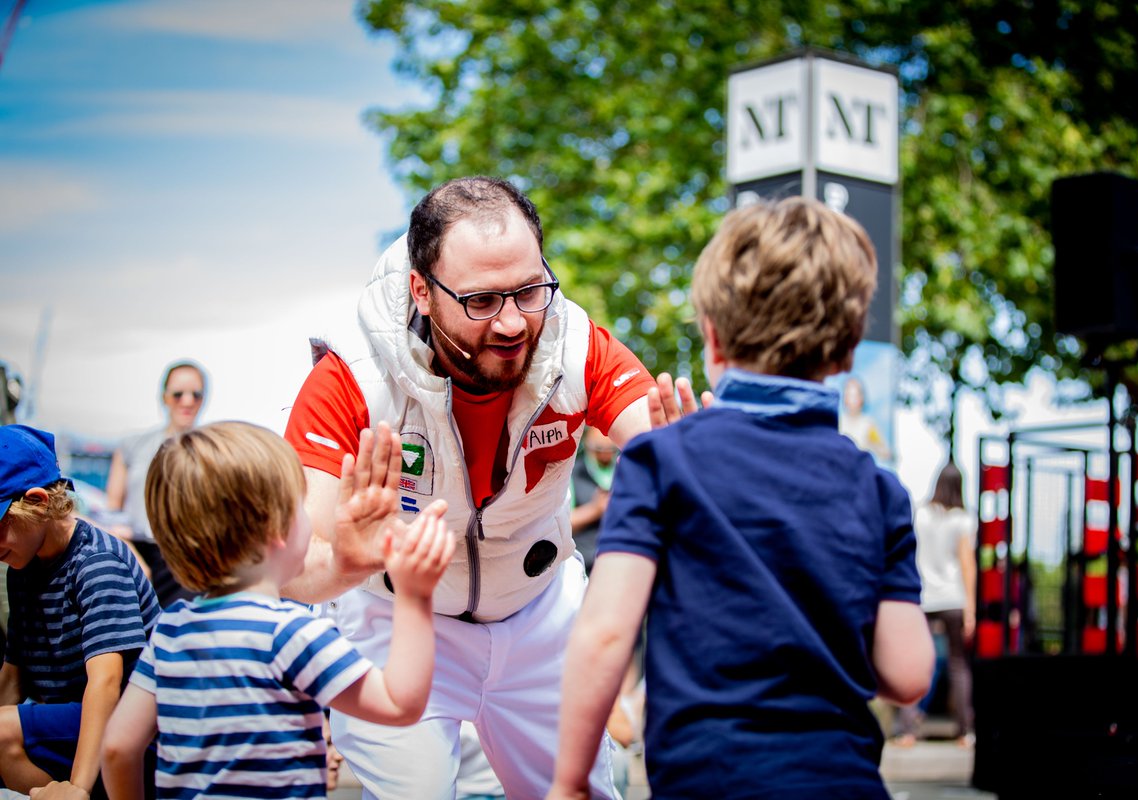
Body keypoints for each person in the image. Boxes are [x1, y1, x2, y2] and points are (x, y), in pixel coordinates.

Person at [281, 176, 703, 799]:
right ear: (421, 291)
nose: (512, 324)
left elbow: (663, 444)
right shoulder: (352, 376)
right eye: (482, 301)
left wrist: (693, 465)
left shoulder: (574, 343)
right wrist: (347, 561)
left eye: (530, 291)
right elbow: (290, 569)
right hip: (399, 617)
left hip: (540, 612)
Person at [550, 197, 935, 799]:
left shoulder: (660, 462)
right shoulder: (879, 490)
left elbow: (604, 635)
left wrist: (569, 784)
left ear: (712, 338)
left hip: (709, 781)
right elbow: (908, 674)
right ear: (848, 349)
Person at [99, 421, 456, 800]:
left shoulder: (171, 632)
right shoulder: (290, 633)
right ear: (279, 527)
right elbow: (399, 704)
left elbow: (118, 748)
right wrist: (414, 595)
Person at [0, 424, 160, 800]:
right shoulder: (22, 567)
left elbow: (105, 683)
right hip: (74, 722)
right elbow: (13, 674)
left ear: (38, 502)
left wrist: (77, 785)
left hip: (136, 728)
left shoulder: (96, 562)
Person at [105, 360, 208, 608]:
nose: (187, 401)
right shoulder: (133, 445)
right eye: (178, 394)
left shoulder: (211, 451)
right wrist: (125, 548)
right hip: (137, 552)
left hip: (185, 558)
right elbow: (111, 510)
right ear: (164, 397)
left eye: (195, 394)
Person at [895, 461, 977, 748]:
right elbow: (967, 565)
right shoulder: (962, 519)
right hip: (953, 597)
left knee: (917, 661)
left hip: (923, 596)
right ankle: (965, 730)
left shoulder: (922, 515)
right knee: (958, 665)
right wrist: (971, 608)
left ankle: (907, 729)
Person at [569, 426, 619, 572]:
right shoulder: (572, 474)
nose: (605, 455)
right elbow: (561, 523)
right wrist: (594, 510)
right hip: (585, 565)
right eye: (599, 450)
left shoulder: (625, 469)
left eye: (610, 450)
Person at [840, 374, 893, 463]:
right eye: (849, 395)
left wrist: (876, 445)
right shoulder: (838, 422)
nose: (852, 399)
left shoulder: (868, 424)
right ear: (845, 398)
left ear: (861, 398)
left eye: (855, 395)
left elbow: (885, 453)